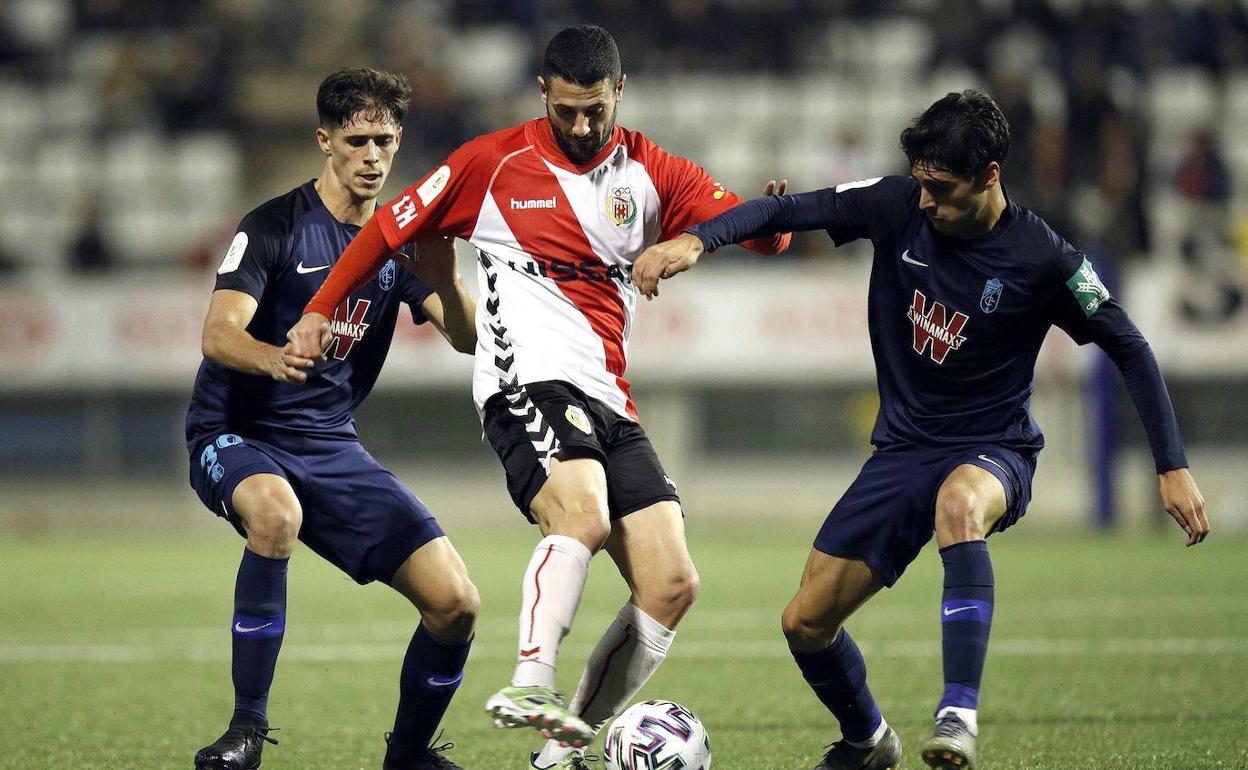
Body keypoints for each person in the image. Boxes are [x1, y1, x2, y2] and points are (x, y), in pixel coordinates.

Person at [633, 90, 1210, 770]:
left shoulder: (1045, 258)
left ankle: (957, 716)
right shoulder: (897, 205)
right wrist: (699, 238)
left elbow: (1131, 347)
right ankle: (869, 742)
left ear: (989, 175)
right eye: (921, 183)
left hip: (994, 448)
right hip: (903, 451)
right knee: (805, 624)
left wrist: (1170, 462)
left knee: (958, 505)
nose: (926, 200)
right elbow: (787, 209)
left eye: (941, 187)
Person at [286, 25, 790, 770]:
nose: (583, 127)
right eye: (568, 112)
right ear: (543, 95)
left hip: (609, 396)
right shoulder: (489, 163)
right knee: (579, 514)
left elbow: (764, 237)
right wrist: (321, 308)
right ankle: (531, 682)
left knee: (673, 583)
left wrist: (753, 223)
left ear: (618, 93)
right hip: (525, 378)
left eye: (597, 111)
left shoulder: (652, 169)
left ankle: (558, 753)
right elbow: (387, 232)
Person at [186, 68, 479, 770]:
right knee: (275, 516)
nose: (373, 156)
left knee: (456, 604)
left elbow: (467, 338)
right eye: (357, 140)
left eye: (384, 140)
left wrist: (442, 277)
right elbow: (218, 335)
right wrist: (274, 359)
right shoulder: (273, 227)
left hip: (330, 446)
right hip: (237, 432)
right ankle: (246, 732)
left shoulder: (402, 241)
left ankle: (407, 756)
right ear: (325, 140)